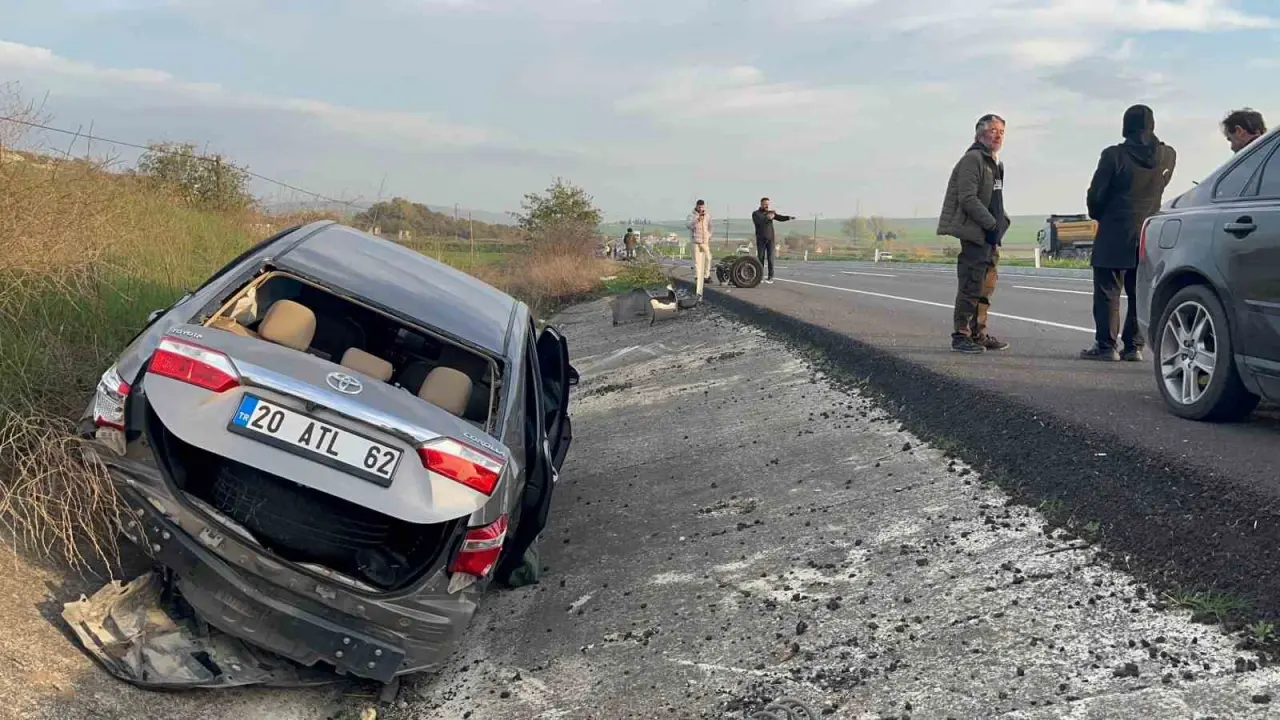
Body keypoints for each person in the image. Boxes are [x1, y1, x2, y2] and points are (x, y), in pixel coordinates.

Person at [1080, 104, 1176, 362]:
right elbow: (1161, 186)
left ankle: (1106, 346)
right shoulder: (1168, 155)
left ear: (1126, 125)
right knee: (1139, 292)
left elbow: (1096, 195)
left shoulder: (1113, 155)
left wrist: (1101, 214)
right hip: (1147, 231)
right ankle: (1134, 346)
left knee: (1107, 291)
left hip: (1114, 229)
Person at [937, 113, 1012, 354]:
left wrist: (1002, 223)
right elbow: (967, 198)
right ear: (979, 135)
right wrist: (991, 224)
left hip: (991, 237)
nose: (998, 135)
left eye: (1001, 131)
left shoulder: (995, 162)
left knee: (986, 287)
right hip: (976, 234)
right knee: (971, 285)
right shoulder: (973, 159)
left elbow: (995, 200)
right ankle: (961, 335)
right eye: (993, 130)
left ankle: (978, 334)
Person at [751, 198, 795, 284]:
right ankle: (759, 277)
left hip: (770, 239)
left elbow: (779, 217)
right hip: (761, 239)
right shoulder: (756, 214)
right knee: (761, 258)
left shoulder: (770, 213)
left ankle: (770, 277)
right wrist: (768, 218)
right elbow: (759, 222)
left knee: (771, 258)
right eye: (765, 204)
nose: (767, 206)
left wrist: (789, 217)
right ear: (761, 204)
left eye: (768, 204)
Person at [686, 199, 713, 298]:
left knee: (708, 258)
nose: (701, 208)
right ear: (696, 206)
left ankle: (706, 275)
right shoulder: (692, 216)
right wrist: (697, 220)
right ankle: (698, 277)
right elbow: (688, 225)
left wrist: (709, 235)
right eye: (699, 207)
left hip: (704, 240)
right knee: (697, 261)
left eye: (702, 207)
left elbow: (710, 226)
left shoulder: (707, 216)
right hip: (695, 240)